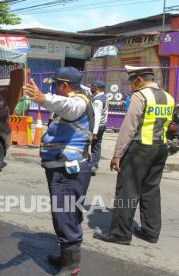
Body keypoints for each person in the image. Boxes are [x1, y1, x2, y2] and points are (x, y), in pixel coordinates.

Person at [93, 65, 175, 245]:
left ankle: (120, 234)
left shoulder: (140, 96)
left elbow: (129, 127)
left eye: (131, 81)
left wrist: (117, 154)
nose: (130, 85)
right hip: (160, 149)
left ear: (139, 80)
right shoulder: (169, 97)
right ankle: (150, 232)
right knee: (151, 191)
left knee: (127, 192)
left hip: (139, 149)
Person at [25, 67, 94, 276]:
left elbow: (69, 107)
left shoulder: (79, 101)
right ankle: (66, 257)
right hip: (60, 169)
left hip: (69, 171)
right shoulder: (70, 101)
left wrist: (43, 98)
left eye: (55, 85)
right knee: (64, 213)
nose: (53, 89)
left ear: (65, 85)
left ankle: (71, 265)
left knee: (66, 215)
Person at [90, 80, 109, 176]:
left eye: (92, 86)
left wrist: (94, 132)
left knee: (93, 145)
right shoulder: (104, 97)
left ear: (96, 88)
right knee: (97, 145)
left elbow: (97, 116)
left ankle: (92, 165)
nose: (90, 88)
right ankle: (94, 164)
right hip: (103, 125)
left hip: (96, 126)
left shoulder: (97, 101)